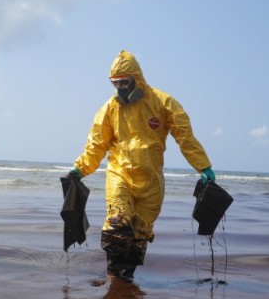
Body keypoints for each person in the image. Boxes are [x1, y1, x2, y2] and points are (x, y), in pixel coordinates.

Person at [66, 50, 215, 280]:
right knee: (117, 224)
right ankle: (113, 276)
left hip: (151, 181)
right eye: (115, 84)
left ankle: (127, 280)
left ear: (136, 78)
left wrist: (203, 167)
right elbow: (96, 144)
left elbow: (185, 137)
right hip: (120, 174)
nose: (120, 88)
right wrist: (80, 168)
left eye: (124, 83)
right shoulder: (109, 109)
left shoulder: (163, 103)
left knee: (139, 236)